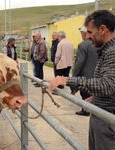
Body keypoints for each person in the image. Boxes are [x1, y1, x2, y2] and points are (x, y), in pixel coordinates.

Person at [49, 10, 115, 150]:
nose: (88, 37)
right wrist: (95, 98)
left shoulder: (112, 51)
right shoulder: (105, 50)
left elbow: (108, 85)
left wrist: (67, 80)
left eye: (90, 32)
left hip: (107, 122)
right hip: (102, 115)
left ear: (103, 29)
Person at [72, 26, 98, 116]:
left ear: (84, 33)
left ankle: (86, 110)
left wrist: (74, 76)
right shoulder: (99, 43)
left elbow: (79, 62)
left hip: (86, 75)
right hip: (98, 74)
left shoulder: (83, 45)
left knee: (85, 94)